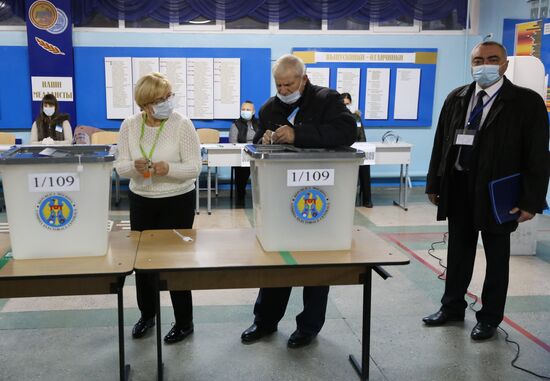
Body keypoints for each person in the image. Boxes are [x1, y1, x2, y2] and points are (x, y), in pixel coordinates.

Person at [423, 41, 549, 341]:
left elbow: (538, 155)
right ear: (471, 64)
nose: (485, 65)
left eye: (493, 59)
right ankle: (451, 307)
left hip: (498, 193)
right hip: (459, 187)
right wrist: (434, 183)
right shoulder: (457, 98)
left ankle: (490, 317)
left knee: (496, 258)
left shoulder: (525, 102)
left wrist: (531, 200)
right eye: (479, 60)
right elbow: (441, 143)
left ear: (505, 64)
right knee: (457, 254)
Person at [242, 54, 356, 348]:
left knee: (317, 263)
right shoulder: (270, 107)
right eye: (279, 85)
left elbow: (347, 132)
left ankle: (308, 327)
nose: (283, 90)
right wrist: (264, 139)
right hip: (281, 195)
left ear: (303, 79)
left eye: (289, 84)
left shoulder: (327, 99)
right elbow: (256, 140)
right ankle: (264, 322)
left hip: (321, 195)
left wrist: (298, 134)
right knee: (277, 261)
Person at [115, 72, 202, 344]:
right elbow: (120, 166)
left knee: (177, 264)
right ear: (144, 105)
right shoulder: (129, 126)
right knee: (143, 264)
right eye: (159, 99)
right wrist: (134, 167)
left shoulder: (182, 125)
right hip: (142, 200)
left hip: (177, 200)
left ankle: (184, 321)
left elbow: (194, 168)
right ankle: (147, 314)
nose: (167, 103)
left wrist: (168, 169)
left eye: (168, 96)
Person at [341, 92, 372, 208]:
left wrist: (362, 148)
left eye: (348, 104)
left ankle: (367, 199)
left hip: (356, 150)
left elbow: (362, 136)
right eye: (344, 104)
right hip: (343, 151)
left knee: (365, 166)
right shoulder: (336, 117)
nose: (346, 106)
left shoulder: (356, 117)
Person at [228, 100, 260, 207]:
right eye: (243, 109)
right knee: (242, 170)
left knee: (262, 169)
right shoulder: (236, 124)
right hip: (242, 155)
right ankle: (240, 196)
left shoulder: (259, 123)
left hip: (257, 154)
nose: (245, 111)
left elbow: (262, 139)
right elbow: (233, 142)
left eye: (248, 109)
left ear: (253, 111)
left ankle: (260, 197)